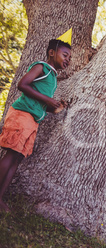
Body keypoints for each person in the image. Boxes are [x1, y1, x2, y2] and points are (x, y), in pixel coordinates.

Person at [0, 31, 72, 212]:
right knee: (10, 155)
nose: (68, 60)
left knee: (16, 159)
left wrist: (55, 107)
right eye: (65, 55)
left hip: (32, 121)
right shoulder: (41, 68)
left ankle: (0, 198)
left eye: (69, 57)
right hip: (21, 115)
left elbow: (42, 103)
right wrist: (48, 100)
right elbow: (22, 85)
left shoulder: (53, 78)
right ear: (51, 53)